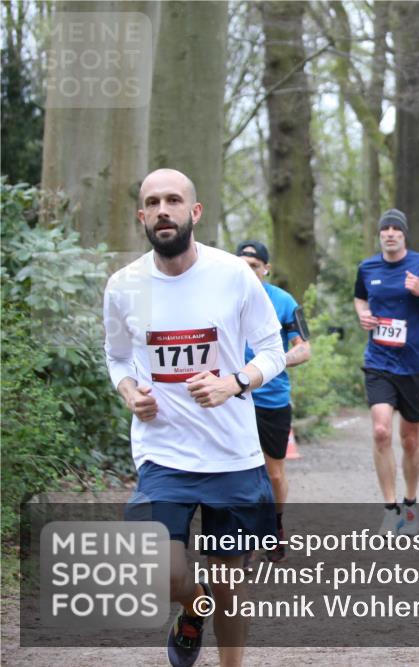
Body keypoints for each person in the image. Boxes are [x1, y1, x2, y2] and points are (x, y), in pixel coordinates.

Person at [104, 169, 286, 667]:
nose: (163, 210)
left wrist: (235, 382)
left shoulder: (232, 275)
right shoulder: (125, 286)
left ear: (195, 211)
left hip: (231, 454)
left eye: (173, 200)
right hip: (163, 451)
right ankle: (192, 603)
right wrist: (129, 391)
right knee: (157, 570)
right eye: (153, 202)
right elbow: (117, 357)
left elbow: (273, 351)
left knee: (230, 581)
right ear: (142, 216)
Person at [354, 208, 419, 535]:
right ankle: (389, 508)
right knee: (381, 431)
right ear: (380, 234)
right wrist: (363, 314)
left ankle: (410, 504)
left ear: (404, 234)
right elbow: (359, 298)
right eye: (385, 229)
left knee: (410, 439)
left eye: (396, 229)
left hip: (414, 364)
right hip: (379, 361)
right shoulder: (367, 268)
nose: (390, 234)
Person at [235, 240, 311, 564]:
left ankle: (275, 524)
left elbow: (303, 348)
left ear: (266, 269)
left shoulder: (283, 301)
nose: (248, 272)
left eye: (254, 266)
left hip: (271, 399)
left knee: (273, 474)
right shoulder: (223, 298)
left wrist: (275, 362)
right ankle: (244, 538)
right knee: (239, 473)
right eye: (242, 265)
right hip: (233, 398)